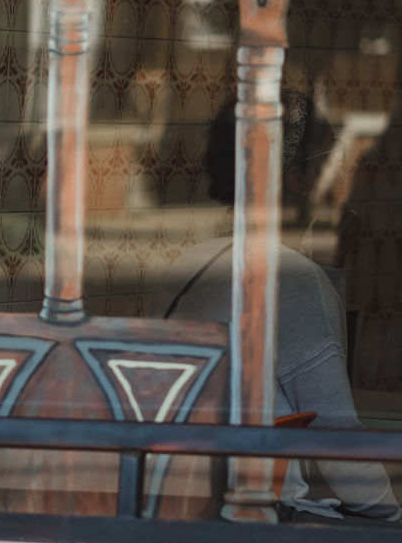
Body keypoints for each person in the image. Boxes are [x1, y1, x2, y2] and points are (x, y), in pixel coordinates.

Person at [151, 93, 400, 520]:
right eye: (324, 161)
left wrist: (330, 268)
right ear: (295, 179)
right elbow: (337, 439)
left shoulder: (187, 265)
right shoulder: (293, 278)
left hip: (184, 506)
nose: (337, 178)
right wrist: (392, 519)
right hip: (265, 516)